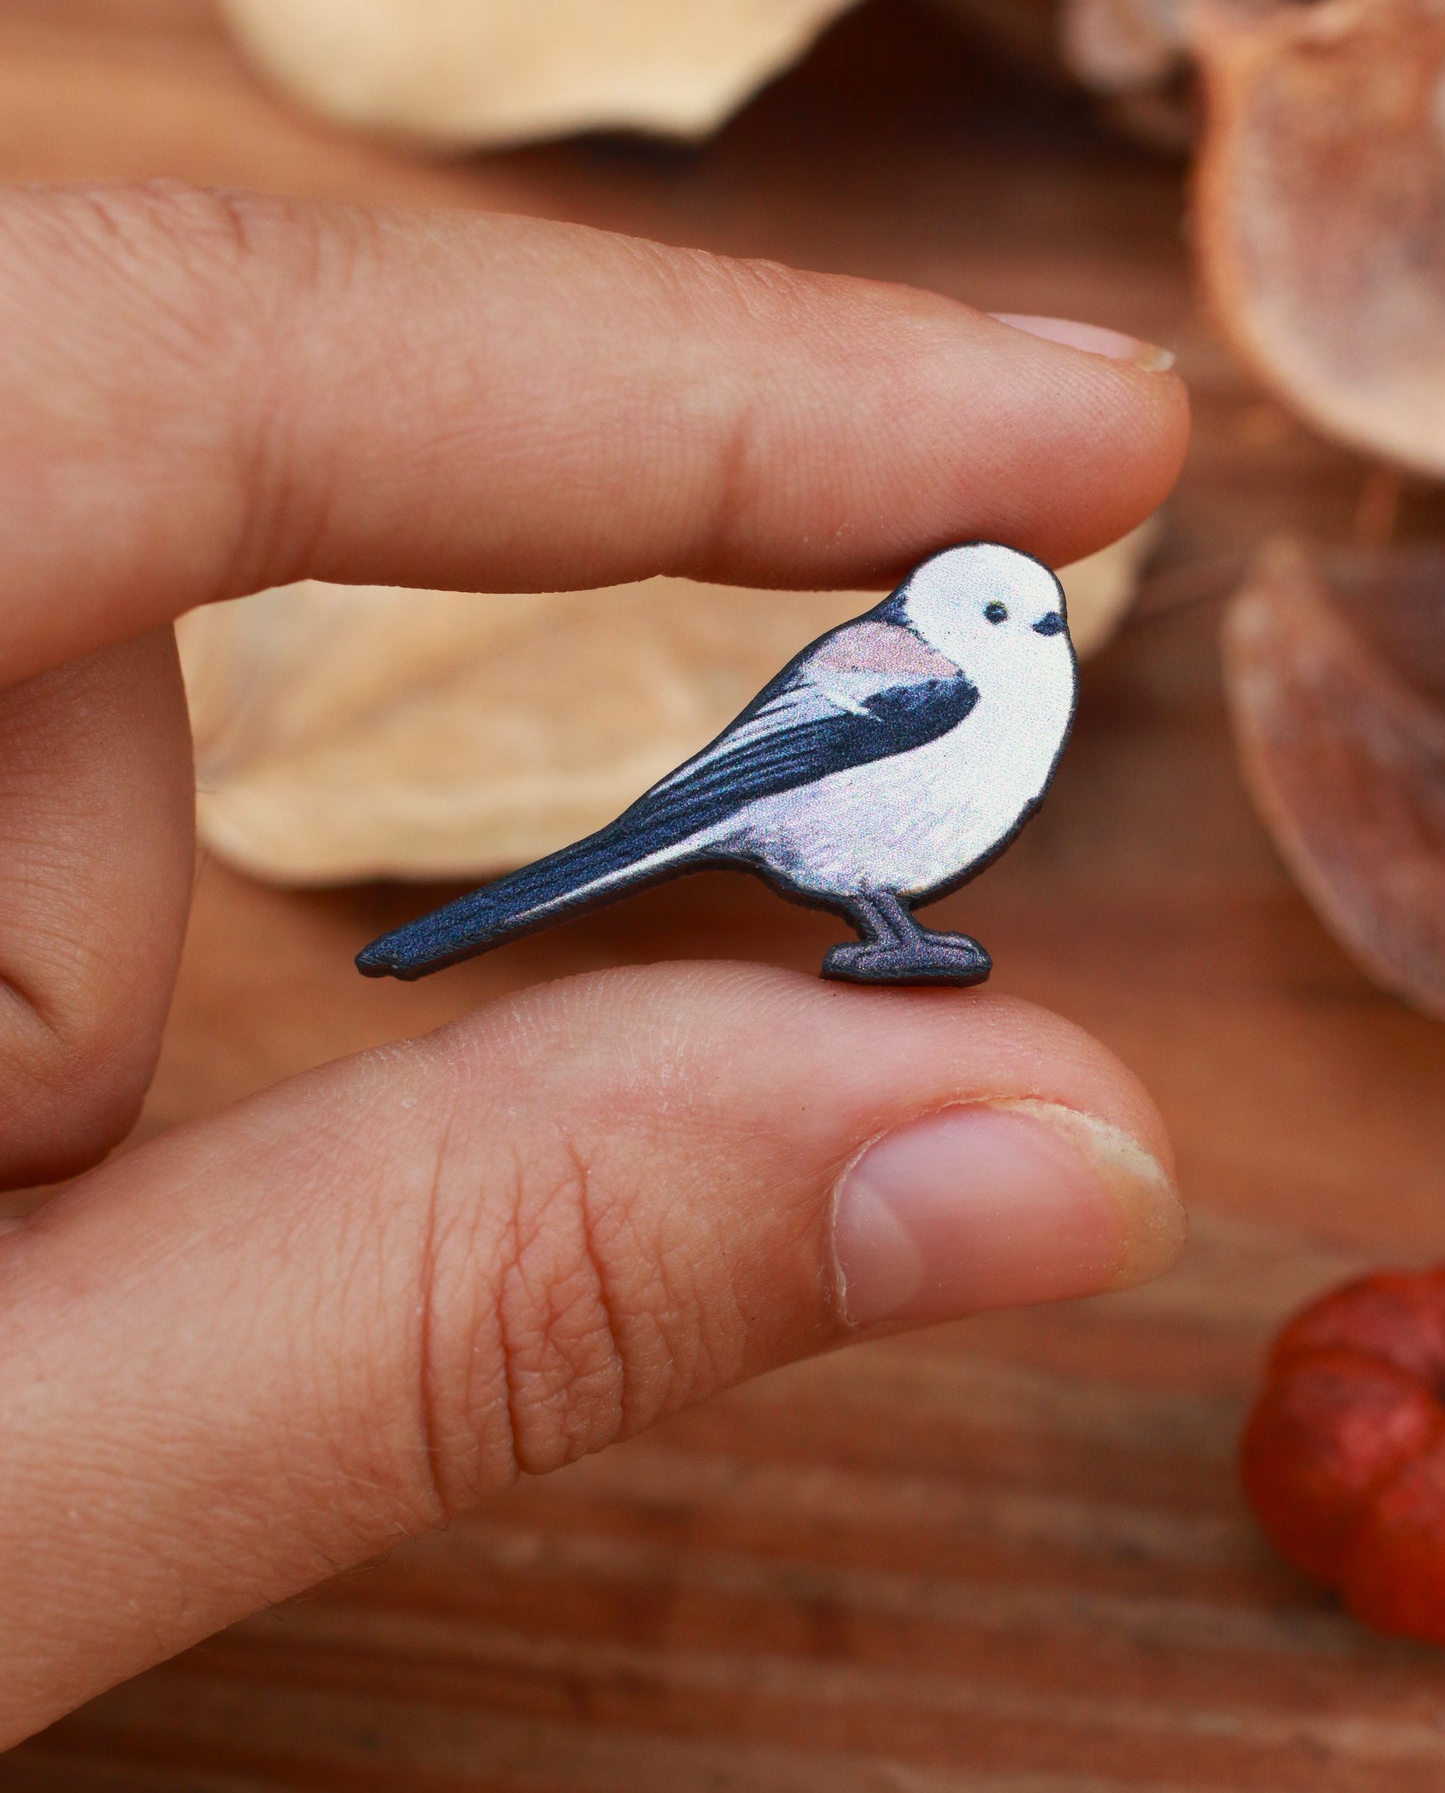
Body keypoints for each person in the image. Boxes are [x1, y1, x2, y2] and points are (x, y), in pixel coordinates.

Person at [0, 183, 1190, 1745]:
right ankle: (844, 932)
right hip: (782, 812)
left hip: (829, 847)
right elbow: (778, 767)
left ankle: (886, 936)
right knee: (660, 869)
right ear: (936, 610)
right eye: (994, 615)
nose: (1019, 645)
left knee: (851, 897)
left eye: (1030, 623)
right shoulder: (917, 669)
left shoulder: (992, 665)